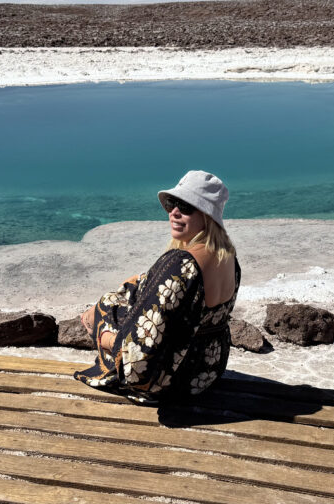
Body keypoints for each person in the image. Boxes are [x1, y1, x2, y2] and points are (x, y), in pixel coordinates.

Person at [74, 170, 241, 403]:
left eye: (186, 206)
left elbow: (138, 358)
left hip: (172, 380)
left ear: (207, 215)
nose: (174, 212)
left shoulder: (181, 262)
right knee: (128, 293)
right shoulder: (229, 258)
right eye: (173, 203)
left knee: (107, 306)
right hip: (207, 372)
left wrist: (103, 336)